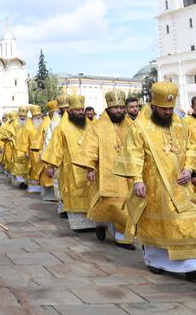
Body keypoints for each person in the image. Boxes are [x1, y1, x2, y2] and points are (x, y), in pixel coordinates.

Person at [113, 82, 196, 281]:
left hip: (180, 183)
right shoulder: (141, 126)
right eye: (164, 109)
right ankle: (155, 260)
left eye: (170, 108)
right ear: (154, 104)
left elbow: (191, 146)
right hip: (153, 185)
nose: (168, 112)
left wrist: (189, 168)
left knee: (188, 220)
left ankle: (190, 263)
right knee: (155, 224)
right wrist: (136, 181)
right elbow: (133, 154)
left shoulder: (179, 122)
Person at [73, 90, 135, 250]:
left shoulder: (131, 125)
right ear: (108, 108)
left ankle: (115, 230)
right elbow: (90, 148)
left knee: (126, 203)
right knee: (113, 203)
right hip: (106, 172)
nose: (119, 111)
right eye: (116, 108)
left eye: (122, 107)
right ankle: (118, 234)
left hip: (128, 172)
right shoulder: (98, 126)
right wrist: (90, 168)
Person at [43, 95, 96, 231]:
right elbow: (56, 147)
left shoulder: (90, 125)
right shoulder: (62, 127)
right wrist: (51, 166)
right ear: (70, 111)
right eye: (77, 110)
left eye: (81, 110)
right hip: (70, 168)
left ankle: (91, 222)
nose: (80, 112)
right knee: (74, 193)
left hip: (88, 167)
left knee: (89, 193)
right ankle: (78, 224)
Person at [41, 95, 70, 205]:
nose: (67, 111)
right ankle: (62, 207)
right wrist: (49, 164)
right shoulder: (54, 124)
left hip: (74, 159)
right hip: (59, 159)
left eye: (68, 108)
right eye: (64, 109)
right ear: (60, 109)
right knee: (60, 182)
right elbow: (48, 142)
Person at [34, 100, 57, 200]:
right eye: (53, 113)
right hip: (47, 152)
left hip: (58, 152)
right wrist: (40, 151)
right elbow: (39, 138)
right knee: (47, 176)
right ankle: (48, 196)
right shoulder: (44, 123)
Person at [26, 106, 45, 194]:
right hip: (33, 152)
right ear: (33, 117)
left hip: (43, 151)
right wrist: (26, 151)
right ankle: (34, 188)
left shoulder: (44, 124)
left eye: (39, 115)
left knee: (43, 169)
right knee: (34, 169)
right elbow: (25, 140)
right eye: (36, 116)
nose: (38, 117)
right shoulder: (28, 126)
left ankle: (42, 187)